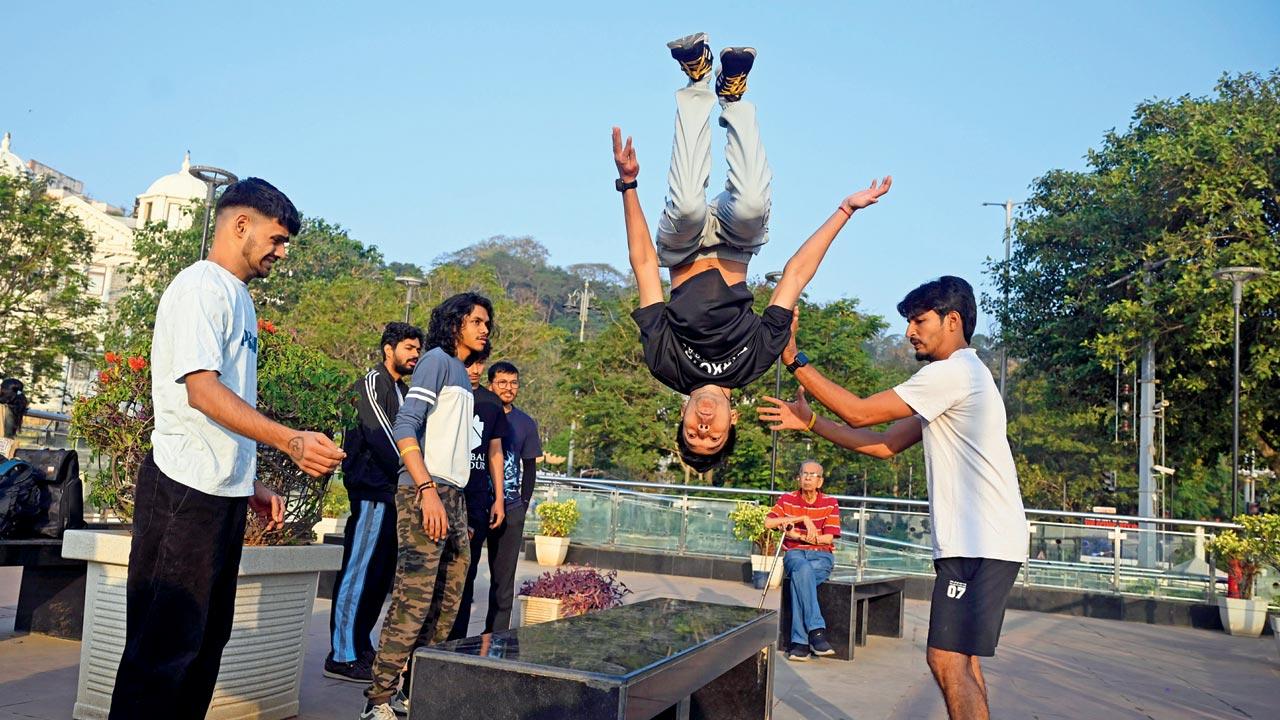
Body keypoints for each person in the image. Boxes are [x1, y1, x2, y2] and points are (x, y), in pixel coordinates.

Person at [109, 178, 345, 720]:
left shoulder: (236, 295)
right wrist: (288, 440)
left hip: (221, 491)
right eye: (277, 239)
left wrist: (250, 479)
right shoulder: (199, 289)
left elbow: (227, 403)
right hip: (182, 490)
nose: (281, 253)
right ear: (241, 225)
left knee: (203, 645)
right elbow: (201, 391)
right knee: (163, 651)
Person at [613, 31, 891, 472]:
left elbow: (646, 266)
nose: (705, 425)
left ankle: (698, 83)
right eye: (714, 434)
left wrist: (628, 184)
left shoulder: (664, 365)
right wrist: (844, 210)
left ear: (681, 417)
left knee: (685, 204)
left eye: (693, 432)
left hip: (682, 250)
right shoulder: (756, 362)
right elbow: (795, 277)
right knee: (753, 206)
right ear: (733, 419)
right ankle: (734, 99)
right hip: (737, 246)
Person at [758, 276, 1027, 720]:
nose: (909, 332)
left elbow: (859, 411)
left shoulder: (953, 372)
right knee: (962, 660)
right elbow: (883, 444)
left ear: (952, 320)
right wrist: (810, 423)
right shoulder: (957, 380)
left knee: (944, 659)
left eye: (920, 320)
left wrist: (793, 358)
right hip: (982, 543)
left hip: (981, 544)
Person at [361, 292, 492, 720]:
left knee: (448, 601)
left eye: (487, 322)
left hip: (452, 496)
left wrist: (459, 508)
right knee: (413, 599)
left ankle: (411, 692)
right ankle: (378, 700)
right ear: (455, 323)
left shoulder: (463, 375)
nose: (484, 328)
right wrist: (427, 490)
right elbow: (406, 423)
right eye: (477, 320)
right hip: (425, 491)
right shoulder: (436, 360)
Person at [325, 322, 424, 683]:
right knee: (357, 573)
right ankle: (341, 655)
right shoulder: (373, 383)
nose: (414, 355)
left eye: (418, 350)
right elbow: (382, 435)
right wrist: (412, 470)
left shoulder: (401, 389)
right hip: (371, 493)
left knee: (377, 577)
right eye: (409, 348)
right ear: (389, 349)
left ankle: (360, 645)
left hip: (391, 494)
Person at [440, 346, 506, 640]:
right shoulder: (447, 393)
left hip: (478, 499)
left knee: (466, 576)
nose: (476, 369)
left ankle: (457, 643)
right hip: (447, 495)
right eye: (471, 363)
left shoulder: (491, 403)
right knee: (439, 574)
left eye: (481, 363)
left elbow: (495, 452)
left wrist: (499, 499)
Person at [483, 360, 542, 632]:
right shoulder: (478, 413)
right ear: (490, 385)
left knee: (503, 581)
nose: (508, 388)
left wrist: (522, 506)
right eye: (502, 382)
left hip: (511, 508)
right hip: (476, 505)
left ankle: (495, 637)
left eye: (513, 383)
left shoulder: (526, 423)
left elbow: (529, 468)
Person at [763, 459, 841, 662]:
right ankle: (817, 631)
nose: (807, 478)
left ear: (820, 481)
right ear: (799, 477)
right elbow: (769, 522)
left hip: (821, 556)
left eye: (812, 475)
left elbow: (828, 538)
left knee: (800, 577)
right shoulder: (787, 500)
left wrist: (797, 536)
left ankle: (800, 642)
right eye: (804, 474)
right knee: (801, 567)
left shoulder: (830, 503)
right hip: (795, 555)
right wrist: (802, 520)